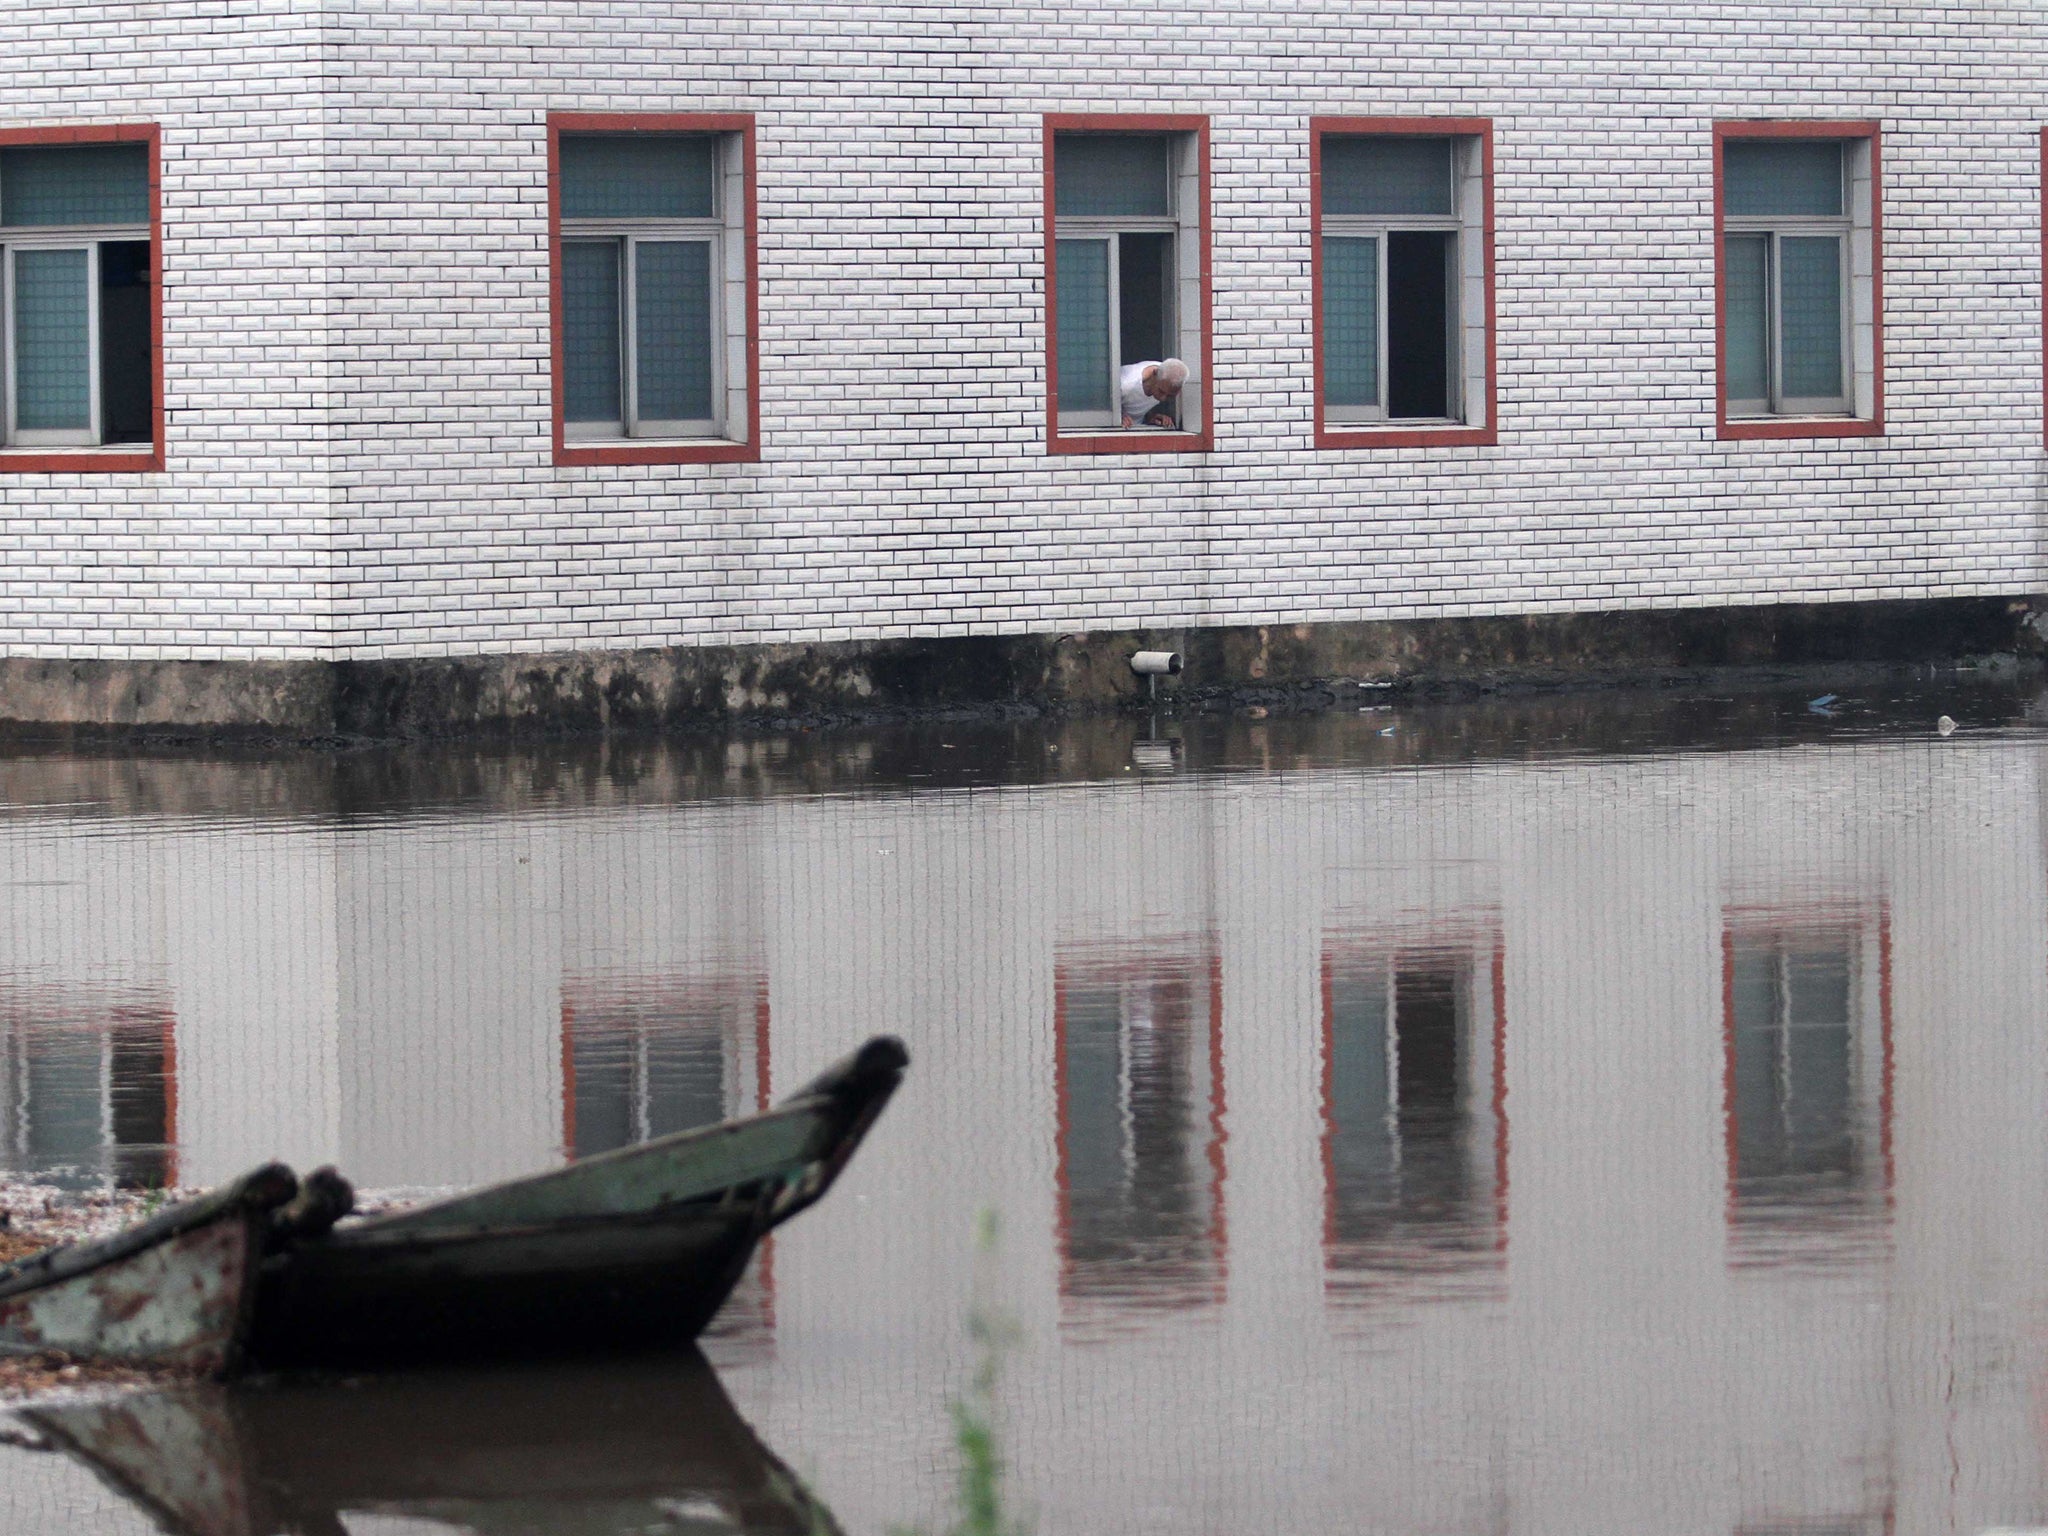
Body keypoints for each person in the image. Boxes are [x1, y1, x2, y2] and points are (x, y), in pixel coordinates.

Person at [1120, 358, 1190, 428]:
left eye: (1170, 396)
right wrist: (1118, 419)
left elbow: (1138, 403)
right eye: (1161, 391)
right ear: (1154, 374)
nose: (1163, 399)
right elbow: (1109, 411)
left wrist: (1151, 417)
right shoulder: (1126, 384)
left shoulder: (1166, 372)